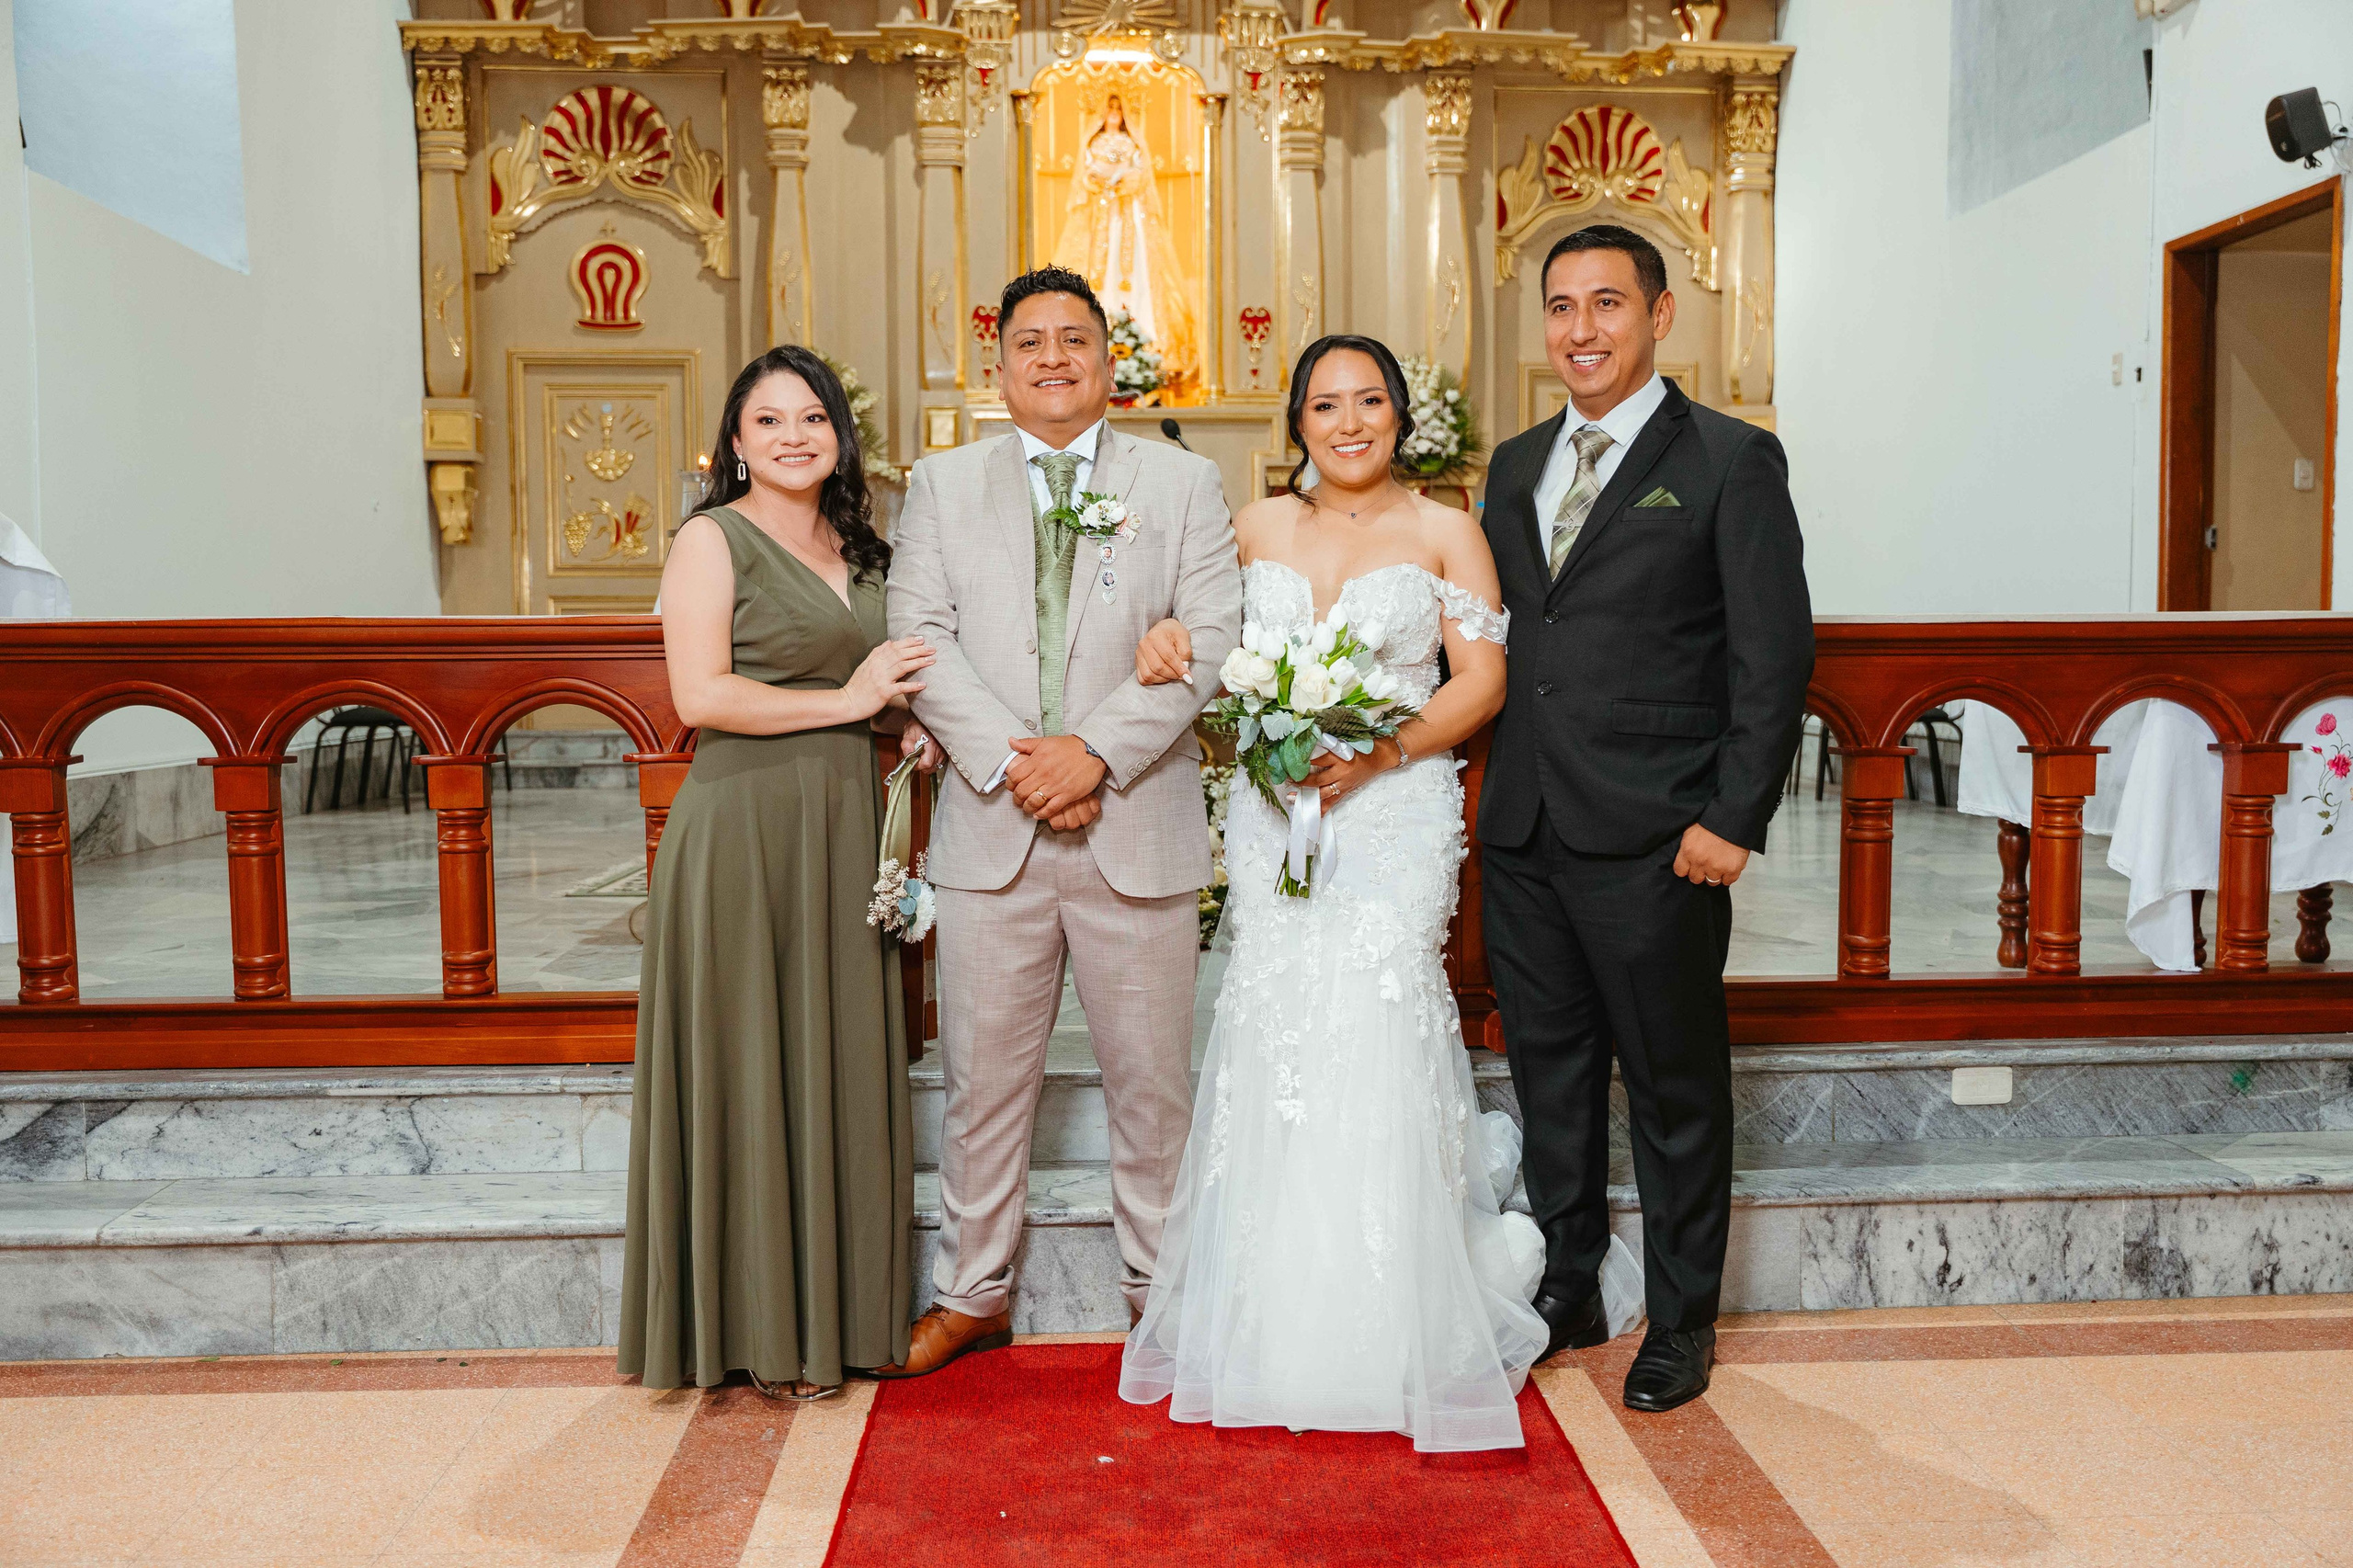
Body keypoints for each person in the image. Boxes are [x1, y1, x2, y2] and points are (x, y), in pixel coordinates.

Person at [1120, 335, 1548, 1453]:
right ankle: (1270, 1311)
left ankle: (1393, 1315)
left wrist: (1382, 754)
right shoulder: (1252, 526)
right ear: (1296, 422)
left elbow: (1485, 678)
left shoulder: (1448, 529)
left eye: (1369, 401)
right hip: (1275, 815)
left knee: (1373, 1010)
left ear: (1401, 416)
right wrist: (1173, 643)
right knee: (1275, 1017)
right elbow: (1195, 645)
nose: (1347, 421)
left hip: (1394, 814)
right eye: (1324, 404)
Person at [881, 265, 1242, 1377]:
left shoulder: (1180, 482)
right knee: (984, 1084)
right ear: (997, 366)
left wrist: (1093, 752)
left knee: (1152, 1085)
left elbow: (1214, 635)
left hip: (1133, 825)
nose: (1052, 357)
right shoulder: (941, 484)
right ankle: (973, 1291)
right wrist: (1016, 764)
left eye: (1073, 338)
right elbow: (919, 638)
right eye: (1028, 340)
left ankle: (1160, 1291)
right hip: (994, 837)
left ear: (1107, 362)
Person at [1476, 224, 1813, 1413]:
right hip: (1526, 829)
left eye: (1607, 304)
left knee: (1672, 1087)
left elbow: (1775, 656)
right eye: (1562, 306)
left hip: (1663, 836)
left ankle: (1681, 1318)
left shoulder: (1728, 460)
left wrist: (1734, 816)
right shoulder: (1514, 466)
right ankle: (1570, 1280)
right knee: (1553, 1076)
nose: (1581, 329)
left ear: (1661, 314)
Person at [620, 346, 933, 1399]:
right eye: (768, 420)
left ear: (840, 433)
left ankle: (837, 1321)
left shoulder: (860, 543)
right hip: (745, 828)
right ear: (736, 441)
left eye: (813, 417)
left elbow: (874, 679)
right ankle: (750, 1327)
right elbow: (701, 696)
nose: (794, 435)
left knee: (835, 1053)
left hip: (844, 821)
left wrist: (901, 722)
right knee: (755, 1059)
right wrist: (853, 703)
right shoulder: (712, 539)